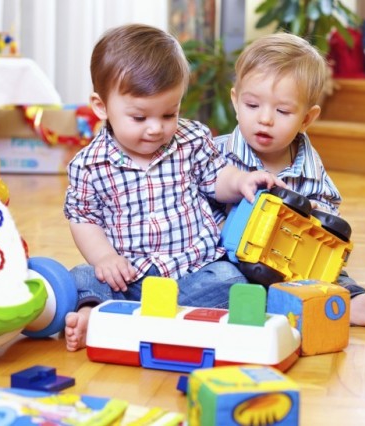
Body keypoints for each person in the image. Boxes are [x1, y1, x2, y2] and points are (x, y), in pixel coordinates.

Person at [63, 24, 283, 352]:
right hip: (130, 279)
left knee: (231, 279)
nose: (156, 128)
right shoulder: (89, 164)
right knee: (82, 277)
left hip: (192, 273)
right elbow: (84, 219)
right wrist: (105, 257)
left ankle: (141, 323)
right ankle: (95, 314)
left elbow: (216, 178)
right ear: (101, 106)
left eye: (169, 113)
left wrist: (241, 181)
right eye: (139, 118)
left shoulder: (190, 139)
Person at [212, 32, 365, 327]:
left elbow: (329, 214)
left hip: (292, 264)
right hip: (232, 261)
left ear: (307, 119)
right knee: (220, 280)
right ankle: (271, 306)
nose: (265, 119)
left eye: (283, 111)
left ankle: (350, 304)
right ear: (235, 101)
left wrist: (310, 215)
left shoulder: (309, 166)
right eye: (252, 106)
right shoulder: (216, 153)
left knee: (333, 276)